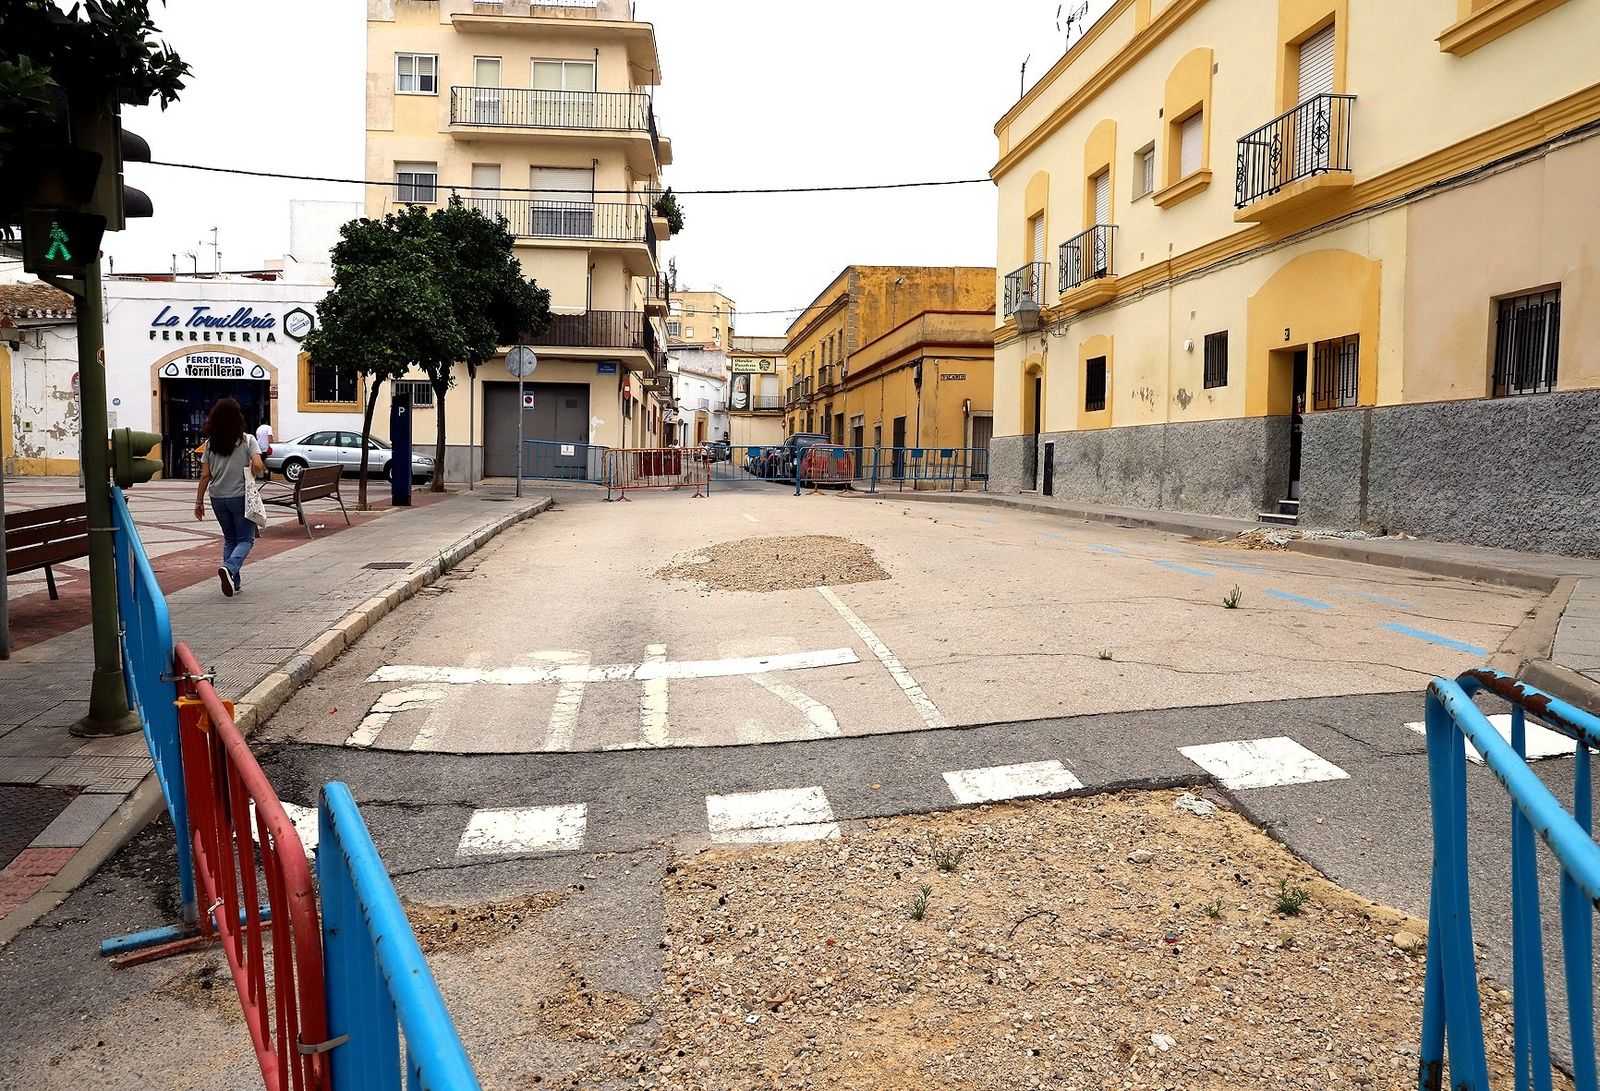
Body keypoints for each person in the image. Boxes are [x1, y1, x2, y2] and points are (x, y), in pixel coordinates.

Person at [194, 397, 265, 597]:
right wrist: (252, 471)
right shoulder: (247, 440)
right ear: (238, 418)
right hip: (240, 497)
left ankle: (234, 582)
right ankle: (230, 568)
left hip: (217, 498)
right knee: (246, 539)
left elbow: (205, 475)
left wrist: (199, 502)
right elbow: (258, 464)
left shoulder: (209, 444)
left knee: (230, 540)